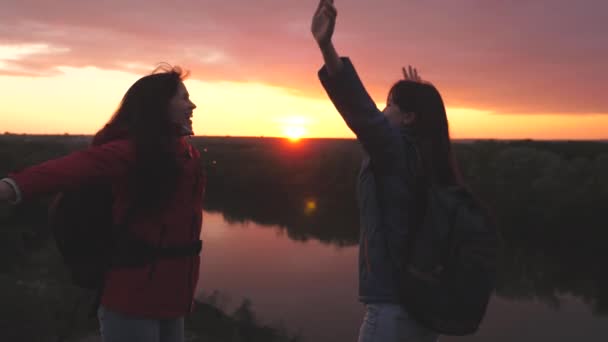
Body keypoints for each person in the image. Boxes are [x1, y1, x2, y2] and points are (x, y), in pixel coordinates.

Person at [0, 64, 204, 342]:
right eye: (182, 97)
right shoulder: (132, 152)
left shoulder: (186, 154)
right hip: (132, 297)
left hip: (174, 299)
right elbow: (67, 169)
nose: (192, 105)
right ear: (158, 106)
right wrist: (10, 187)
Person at [312, 0, 467, 340]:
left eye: (390, 105)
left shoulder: (395, 151)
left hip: (392, 312)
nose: (382, 110)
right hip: (423, 309)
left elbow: (360, 110)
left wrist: (326, 47)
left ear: (409, 119)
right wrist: (417, 98)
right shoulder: (433, 157)